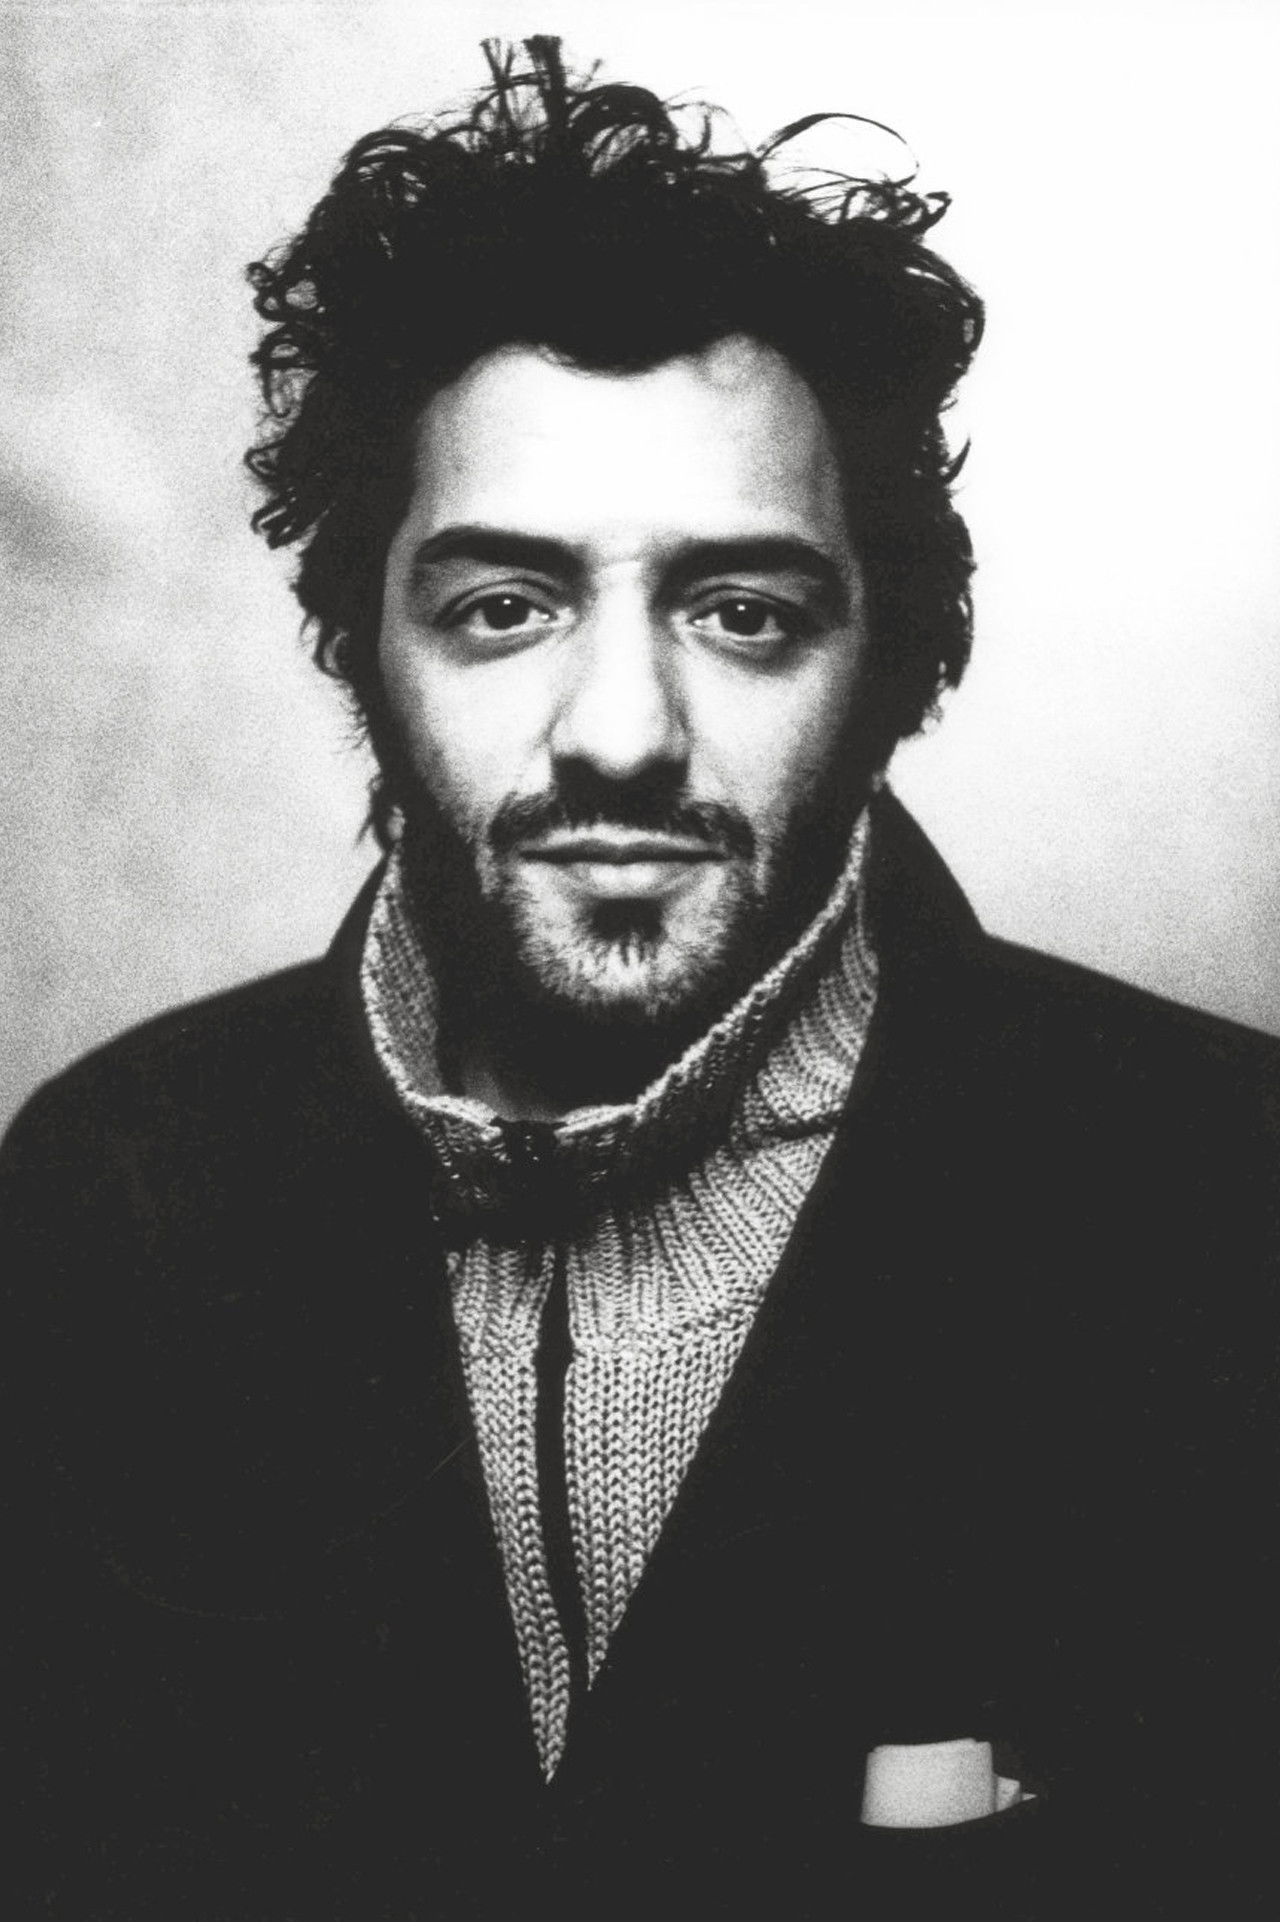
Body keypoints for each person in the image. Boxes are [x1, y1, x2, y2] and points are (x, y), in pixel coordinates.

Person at [3, 36, 1275, 1921]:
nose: (619, 728)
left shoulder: (1225, 1201)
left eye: (742, 610)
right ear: (362, 646)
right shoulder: (112, 1193)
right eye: (502, 605)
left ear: (894, 660)